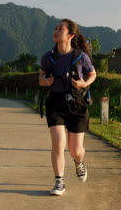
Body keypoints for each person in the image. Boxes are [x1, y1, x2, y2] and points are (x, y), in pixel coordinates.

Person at [39, 19, 97, 196]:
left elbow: (92, 73)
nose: (56, 31)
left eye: (60, 29)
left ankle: (79, 162)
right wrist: (45, 81)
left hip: (77, 104)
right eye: (55, 28)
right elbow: (40, 78)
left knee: (75, 151)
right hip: (55, 103)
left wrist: (83, 83)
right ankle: (59, 182)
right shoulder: (48, 57)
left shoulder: (81, 56)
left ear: (70, 35)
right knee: (58, 144)